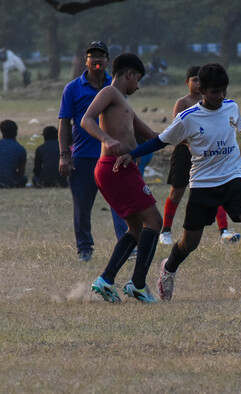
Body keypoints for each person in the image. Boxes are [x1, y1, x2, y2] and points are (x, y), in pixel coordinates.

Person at [116, 63, 241, 301]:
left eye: (223, 91)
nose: (220, 96)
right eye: (214, 92)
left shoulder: (231, 107)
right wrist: (133, 153)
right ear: (203, 90)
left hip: (233, 178)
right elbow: (160, 140)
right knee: (190, 243)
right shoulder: (188, 118)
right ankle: (169, 268)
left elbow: (239, 123)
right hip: (203, 184)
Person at [81, 52, 162, 303]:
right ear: (129, 74)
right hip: (115, 169)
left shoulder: (125, 104)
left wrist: (183, 138)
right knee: (155, 223)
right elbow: (86, 119)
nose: (138, 85)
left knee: (137, 228)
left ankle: (105, 280)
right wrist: (106, 138)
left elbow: (152, 136)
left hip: (120, 169)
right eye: (138, 79)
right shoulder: (109, 93)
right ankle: (137, 285)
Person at [58, 40, 128, 262]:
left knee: (119, 203)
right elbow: (64, 123)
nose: (96, 59)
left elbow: (125, 118)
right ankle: (84, 249)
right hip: (83, 156)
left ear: (108, 60)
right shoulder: (72, 88)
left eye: (101, 55)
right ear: (85, 60)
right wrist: (64, 155)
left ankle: (127, 244)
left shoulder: (115, 86)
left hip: (110, 155)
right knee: (82, 206)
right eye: (92, 56)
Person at [159, 65, 241, 246]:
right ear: (187, 82)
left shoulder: (216, 103)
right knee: (177, 191)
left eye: (199, 80)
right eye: (193, 80)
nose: (197, 83)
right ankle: (165, 230)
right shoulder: (183, 103)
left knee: (217, 185)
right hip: (184, 152)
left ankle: (224, 231)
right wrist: (189, 144)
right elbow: (176, 132)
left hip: (207, 153)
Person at [0, 119, 27, 188]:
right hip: (9, 181)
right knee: (24, 178)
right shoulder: (20, 149)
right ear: (16, 132)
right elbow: (21, 172)